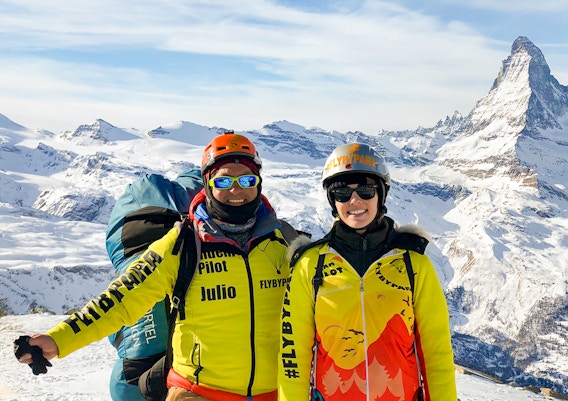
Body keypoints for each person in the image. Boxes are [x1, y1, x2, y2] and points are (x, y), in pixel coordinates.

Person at [17, 132, 299, 401]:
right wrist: (58, 340)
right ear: (208, 183)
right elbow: (119, 300)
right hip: (197, 392)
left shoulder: (286, 243)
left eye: (247, 180)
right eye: (224, 182)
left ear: (259, 182)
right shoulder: (181, 244)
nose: (237, 190)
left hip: (276, 393)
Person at [278, 143, 457, 400]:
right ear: (332, 200)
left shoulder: (413, 264)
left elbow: (436, 351)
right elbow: (292, 354)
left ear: (380, 195)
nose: (354, 200)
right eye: (341, 192)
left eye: (366, 190)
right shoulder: (310, 265)